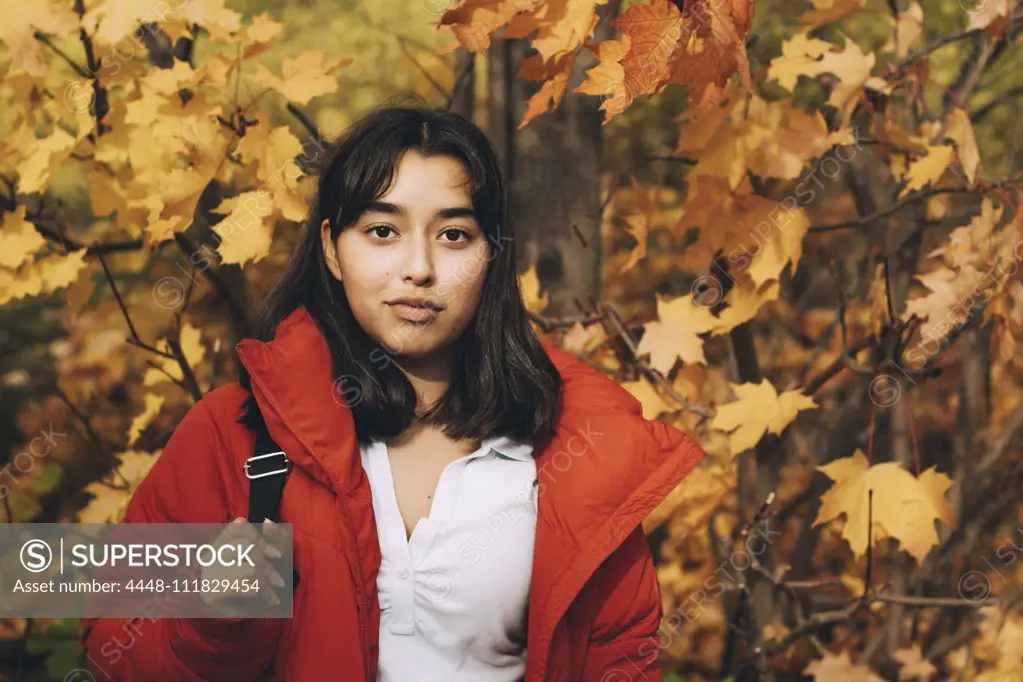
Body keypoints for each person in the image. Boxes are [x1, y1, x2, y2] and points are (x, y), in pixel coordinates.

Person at [79, 104, 707, 681]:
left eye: (454, 235)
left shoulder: (574, 445)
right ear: (331, 248)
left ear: (492, 255)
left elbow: (619, 657)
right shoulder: (237, 433)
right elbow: (113, 639)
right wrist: (216, 623)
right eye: (383, 231)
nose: (419, 267)